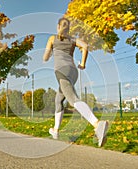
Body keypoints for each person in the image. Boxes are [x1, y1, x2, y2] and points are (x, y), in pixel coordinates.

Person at [42, 17, 108, 147]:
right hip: (73, 71)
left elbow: (45, 57)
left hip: (61, 71)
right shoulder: (72, 40)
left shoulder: (52, 38)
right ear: (68, 29)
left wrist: (48, 55)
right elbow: (85, 46)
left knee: (72, 99)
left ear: (58, 27)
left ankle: (97, 124)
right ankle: (55, 131)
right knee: (58, 100)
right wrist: (83, 63)